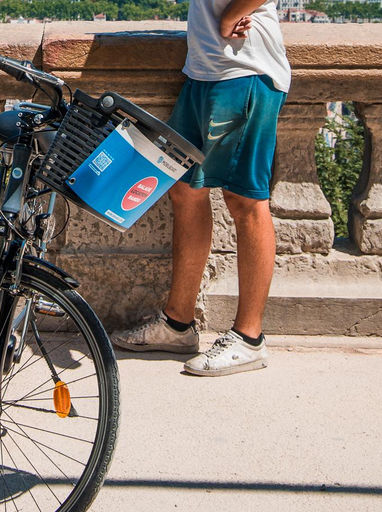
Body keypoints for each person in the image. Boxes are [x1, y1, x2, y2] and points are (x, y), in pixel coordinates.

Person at [111, 0, 290, 377]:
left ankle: (249, 338)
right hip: (204, 72)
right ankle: (178, 324)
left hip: (244, 70)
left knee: (245, 200)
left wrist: (228, 16)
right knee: (184, 189)